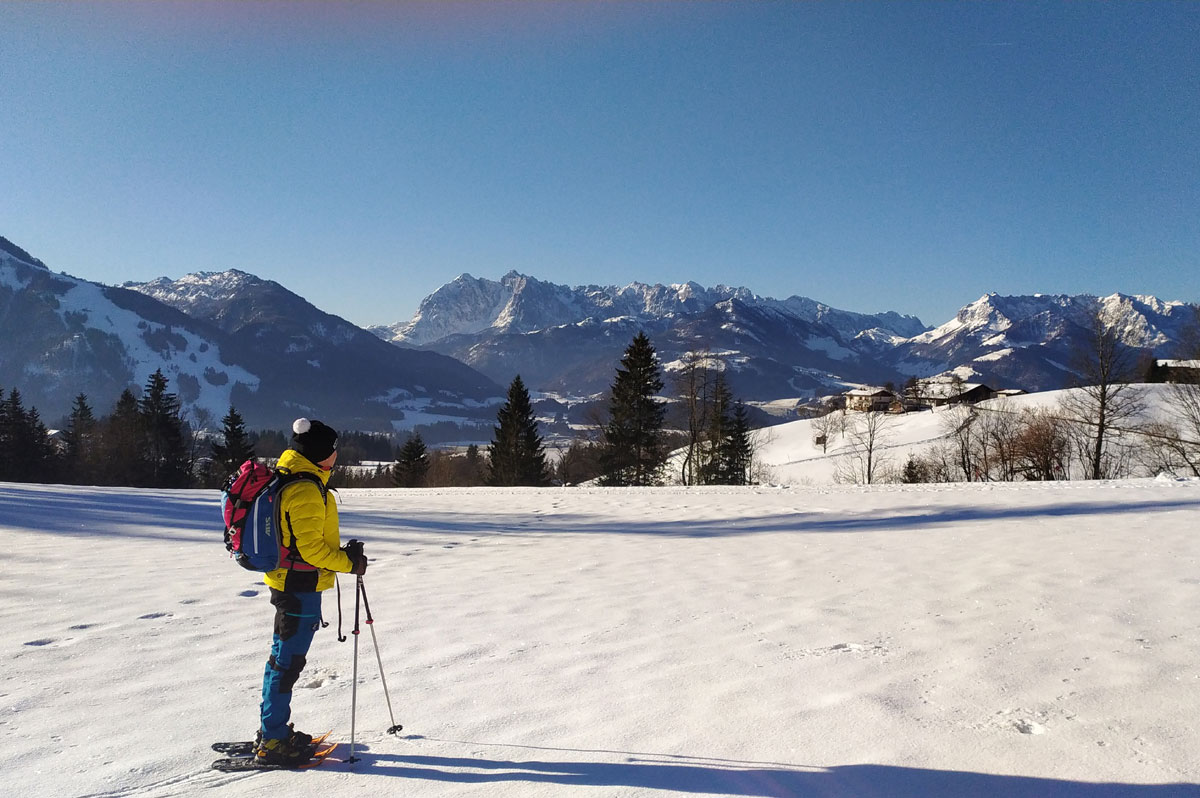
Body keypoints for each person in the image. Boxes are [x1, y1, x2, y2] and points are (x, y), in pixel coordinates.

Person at [255, 417, 368, 766]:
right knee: (287, 663)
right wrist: (350, 564)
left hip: (290, 582)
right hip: (299, 586)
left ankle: (272, 731)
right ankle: (273, 740)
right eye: (333, 449)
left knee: (281, 658)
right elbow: (312, 552)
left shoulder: (294, 475)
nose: (336, 455)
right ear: (321, 454)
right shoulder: (305, 489)